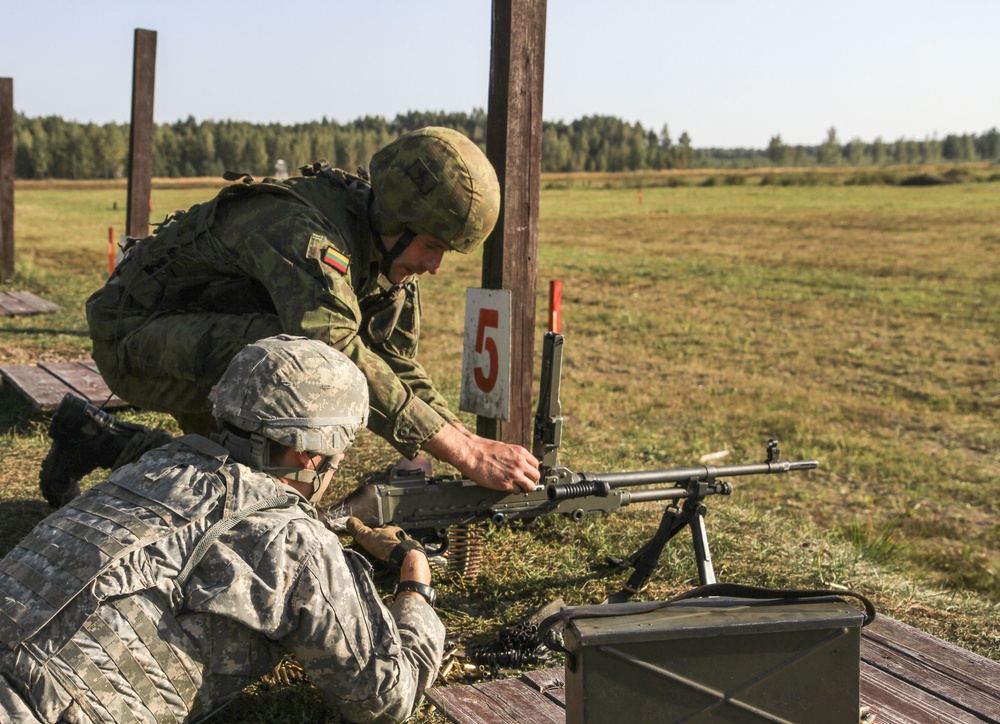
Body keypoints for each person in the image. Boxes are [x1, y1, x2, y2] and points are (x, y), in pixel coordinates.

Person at [40, 126, 539, 508]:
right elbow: (338, 353)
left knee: (235, 466)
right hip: (135, 335)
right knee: (308, 373)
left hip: (214, 337)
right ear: (395, 221)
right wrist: (466, 453)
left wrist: (468, 442)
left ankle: (96, 440)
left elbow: (395, 367)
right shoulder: (301, 232)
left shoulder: (389, 261)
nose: (434, 266)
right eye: (432, 245)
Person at [1, 335, 445, 723]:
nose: (344, 458)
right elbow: (386, 698)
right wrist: (415, 584)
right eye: (343, 445)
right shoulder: (291, 540)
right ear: (310, 453)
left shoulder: (150, 465)